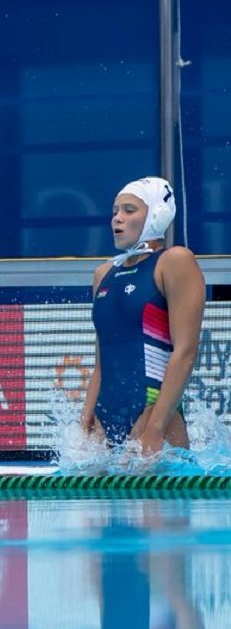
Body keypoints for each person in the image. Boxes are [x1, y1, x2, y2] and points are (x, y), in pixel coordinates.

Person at [80, 177, 205, 455]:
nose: (117, 219)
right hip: (106, 419)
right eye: (114, 211)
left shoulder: (174, 262)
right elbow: (101, 362)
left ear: (157, 216)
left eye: (129, 210)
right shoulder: (103, 274)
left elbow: (185, 353)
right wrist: (84, 421)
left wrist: (155, 429)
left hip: (153, 415)